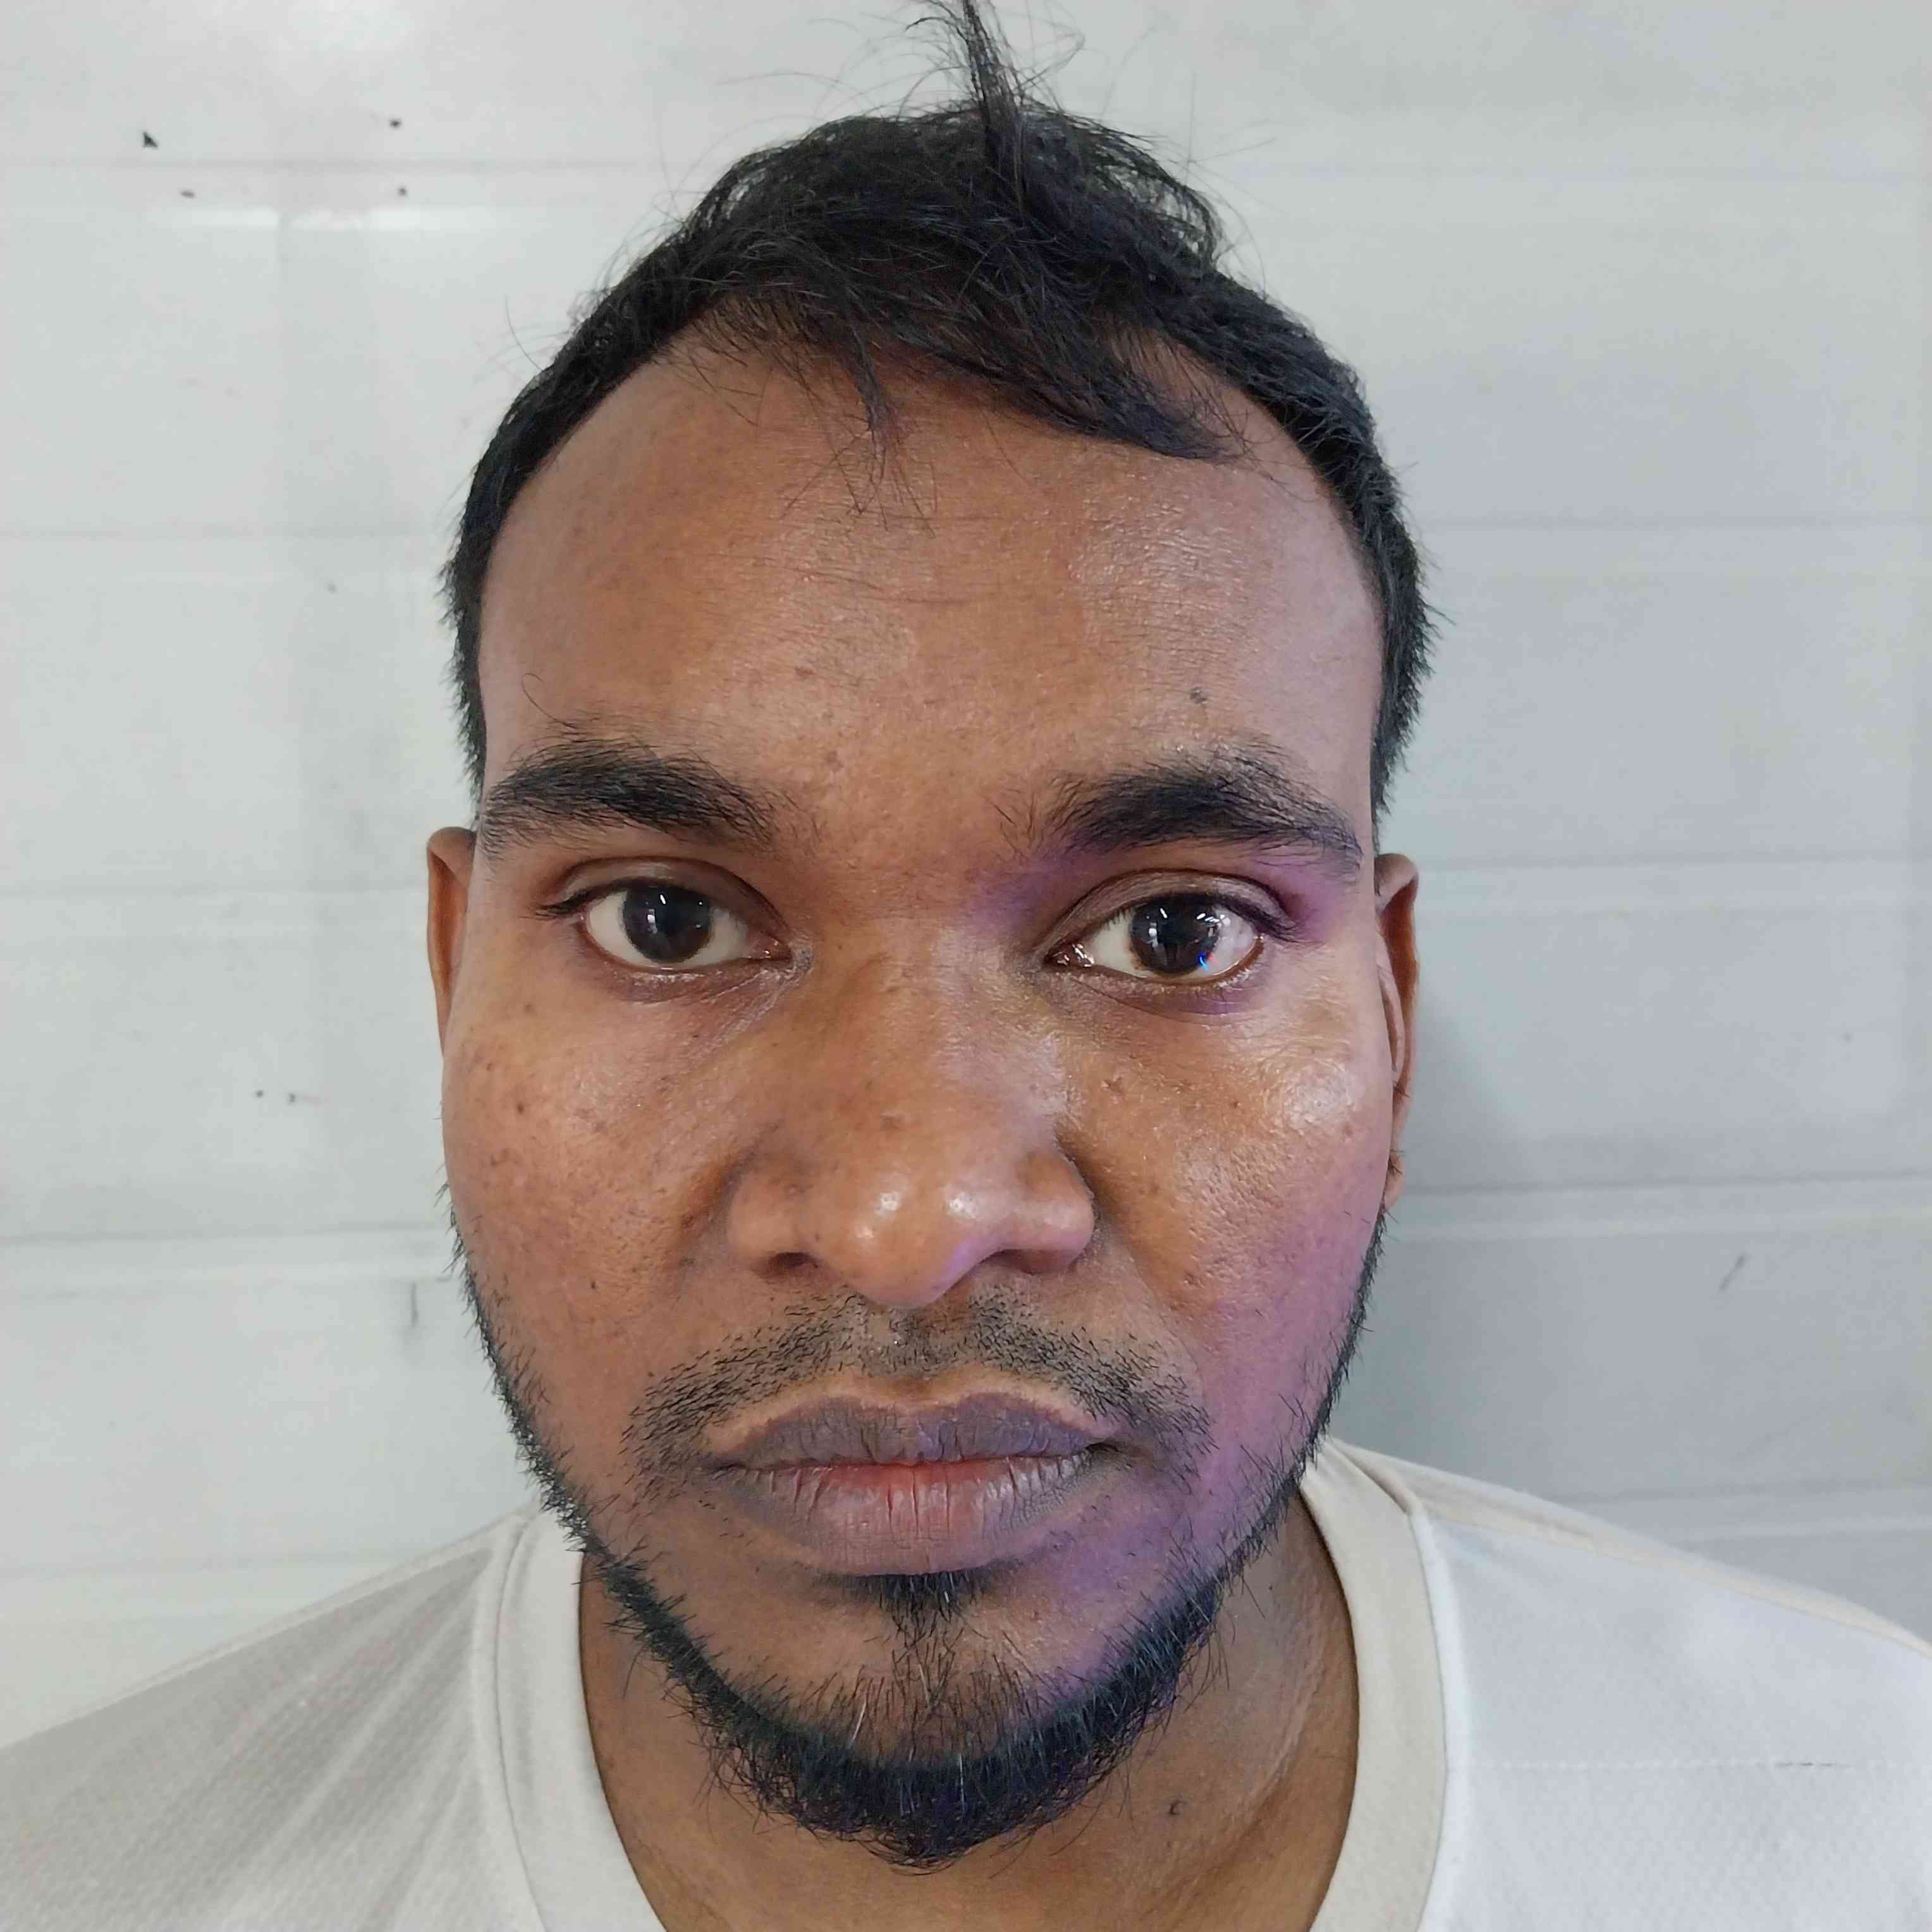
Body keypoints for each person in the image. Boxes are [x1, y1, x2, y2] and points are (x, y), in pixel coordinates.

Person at [6, 3, 1929, 1926]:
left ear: (1393, 1027)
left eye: (1174, 932)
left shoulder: (1863, 1833)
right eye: (666, 920)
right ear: (454, 986)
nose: (907, 1224)